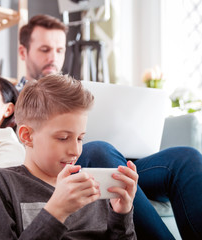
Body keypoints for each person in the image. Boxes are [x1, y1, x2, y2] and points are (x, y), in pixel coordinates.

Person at [16, 14, 202, 239]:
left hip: (113, 158)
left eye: (59, 50)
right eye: (45, 50)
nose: (53, 57)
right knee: (98, 151)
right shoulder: (7, 95)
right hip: (79, 162)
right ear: (23, 52)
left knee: (186, 158)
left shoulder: (80, 92)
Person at [0, 74, 138, 239]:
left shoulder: (91, 187)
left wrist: (122, 215)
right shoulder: (2, 182)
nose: (75, 151)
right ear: (27, 136)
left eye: (80, 138)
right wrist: (56, 211)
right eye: (63, 138)